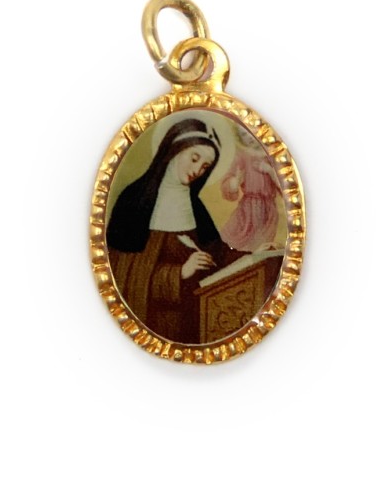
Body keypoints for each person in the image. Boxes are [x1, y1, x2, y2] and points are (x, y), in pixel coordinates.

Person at [107, 118, 244, 344]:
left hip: (197, 316)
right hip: (155, 323)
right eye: (194, 158)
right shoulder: (134, 201)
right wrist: (179, 273)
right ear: (174, 149)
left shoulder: (196, 208)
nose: (197, 170)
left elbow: (217, 256)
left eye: (205, 166)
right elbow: (123, 275)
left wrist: (256, 255)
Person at [220, 126, 282, 252]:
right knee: (231, 239)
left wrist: (270, 171)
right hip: (247, 208)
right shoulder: (241, 156)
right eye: (244, 135)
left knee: (260, 246)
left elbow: (286, 186)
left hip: (268, 212)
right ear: (239, 137)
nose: (248, 137)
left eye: (250, 132)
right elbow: (227, 182)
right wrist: (234, 182)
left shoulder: (271, 155)